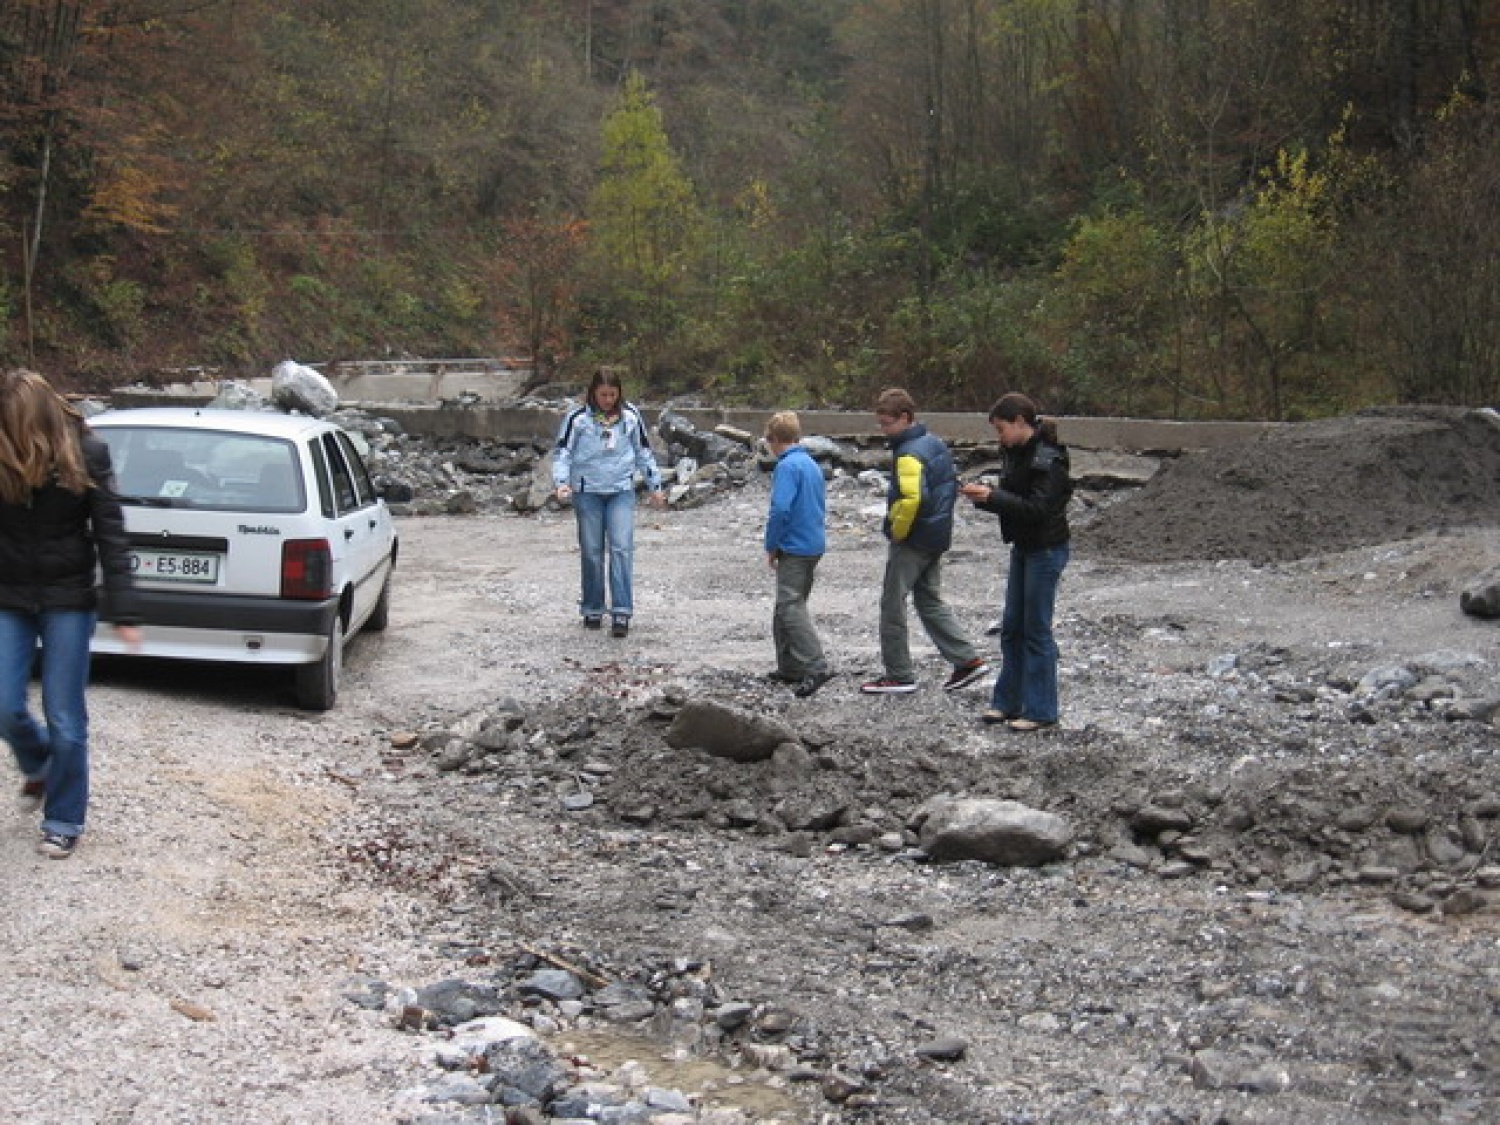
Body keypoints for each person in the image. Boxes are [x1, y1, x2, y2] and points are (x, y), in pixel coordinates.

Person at [0, 369, 141, 859]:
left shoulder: (87, 454)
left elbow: (112, 536)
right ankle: (38, 762)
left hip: (67, 599)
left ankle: (62, 819)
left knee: (65, 716)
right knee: (3, 702)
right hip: (9, 595)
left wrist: (125, 609)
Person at [862, 387, 988, 694]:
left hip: (914, 539)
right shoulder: (934, 444)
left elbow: (911, 498)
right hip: (936, 536)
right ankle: (966, 660)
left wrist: (898, 531)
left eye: (887, 423)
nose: (884, 430)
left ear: (905, 418)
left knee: (893, 604)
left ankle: (899, 674)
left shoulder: (908, 454)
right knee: (929, 600)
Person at [960, 392, 1072, 731]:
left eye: (1001, 429)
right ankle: (1007, 701)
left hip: (1046, 549)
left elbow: (1038, 509)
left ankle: (1041, 710)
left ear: (1020, 422)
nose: (999, 437)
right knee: (1012, 627)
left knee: (1036, 630)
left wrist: (993, 497)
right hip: (1023, 547)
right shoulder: (1014, 453)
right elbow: (1016, 500)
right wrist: (986, 498)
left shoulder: (1049, 460)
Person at [552, 367, 665, 637]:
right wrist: (561, 482)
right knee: (591, 551)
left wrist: (655, 485)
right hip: (587, 491)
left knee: (621, 548)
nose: (607, 400)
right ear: (593, 393)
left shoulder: (630, 416)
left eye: (612, 394)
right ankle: (592, 607)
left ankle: (622, 611)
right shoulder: (577, 419)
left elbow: (643, 451)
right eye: (603, 394)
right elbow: (563, 452)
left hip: (621, 490)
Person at [763, 411, 833, 699]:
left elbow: (780, 509)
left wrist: (772, 543)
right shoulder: (811, 464)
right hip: (814, 542)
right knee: (787, 605)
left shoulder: (787, 467)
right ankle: (789, 666)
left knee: (791, 607)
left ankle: (815, 664)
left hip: (795, 545)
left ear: (775, 440)